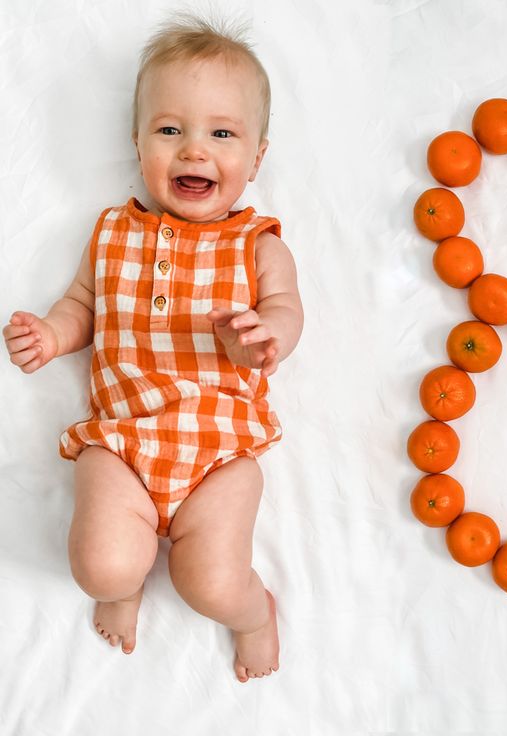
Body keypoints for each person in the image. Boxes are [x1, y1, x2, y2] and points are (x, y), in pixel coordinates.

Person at [2, 13, 303, 683]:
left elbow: (286, 310)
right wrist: (53, 335)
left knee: (212, 586)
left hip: (219, 452)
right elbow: (83, 304)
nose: (194, 151)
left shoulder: (258, 245)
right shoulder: (112, 233)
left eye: (221, 134)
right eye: (170, 130)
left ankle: (254, 615)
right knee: (100, 565)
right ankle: (123, 583)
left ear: (256, 158)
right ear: (138, 144)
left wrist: (267, 335)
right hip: (123, 442)